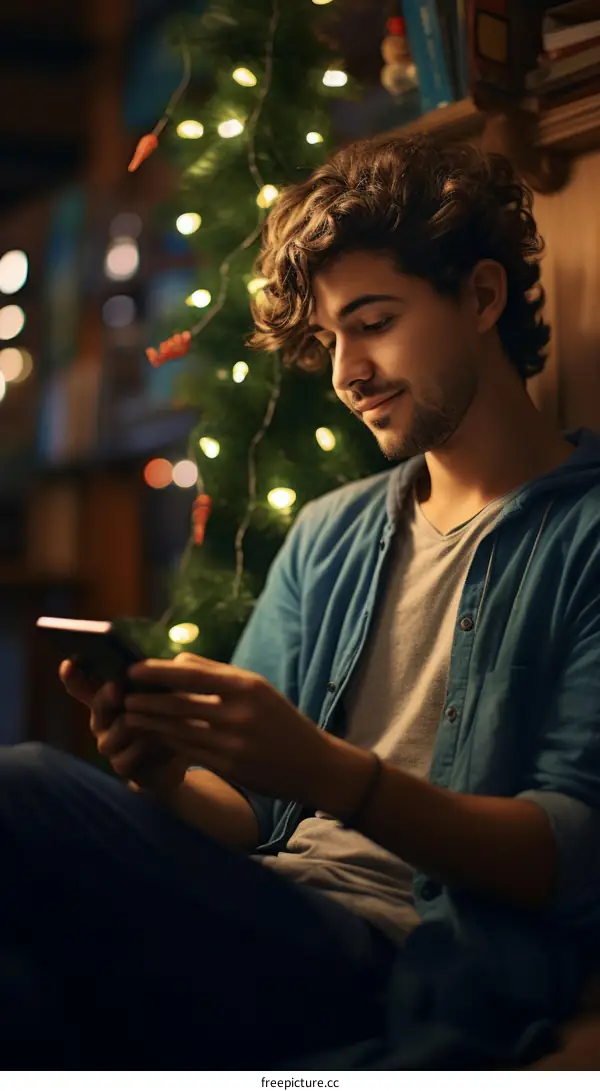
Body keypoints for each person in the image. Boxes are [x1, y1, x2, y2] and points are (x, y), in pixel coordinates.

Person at [3, 135, 600, 1069]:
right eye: (331, 339)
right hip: (265, 913)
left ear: (481, 297)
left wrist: (333, 773)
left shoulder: (589, 534)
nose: (346, 372)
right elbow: (251, 809)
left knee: (22, 786)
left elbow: (572, 857)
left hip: (413, 964)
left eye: (374, 321)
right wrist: (162, 774)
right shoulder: (332, 531)